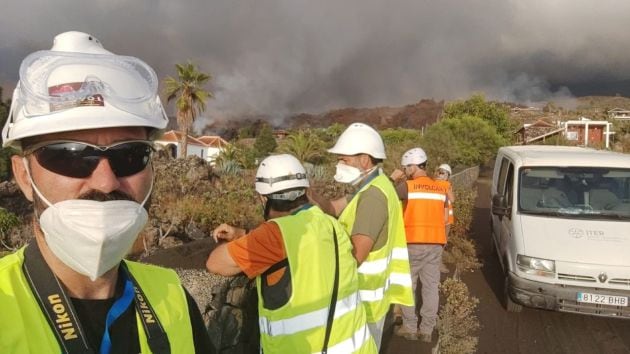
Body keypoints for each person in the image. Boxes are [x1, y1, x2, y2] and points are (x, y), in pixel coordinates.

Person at [0, 31, 213, 353]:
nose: (106, 182)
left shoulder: (171, 295)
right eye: (69, 156)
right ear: (23, 176)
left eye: (129, 155)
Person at [206, 154, 377, 353]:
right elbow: (298, 244)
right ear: (305, 191)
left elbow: (216, 263)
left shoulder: (275, 234)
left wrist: (245, 239)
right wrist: (245, 235)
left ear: (263, 197)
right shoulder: (329, 223)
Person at [308, 123, 414, 351]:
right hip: (366, 298)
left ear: (364, 159)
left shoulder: (373, 196)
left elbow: (356, 254)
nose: (339, 164)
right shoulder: (370, 186)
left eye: (344, 159)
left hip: (363, 300)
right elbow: (334, 208)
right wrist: (309, 195)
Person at [390, 148, 449, 343]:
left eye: (406, 167)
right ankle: (426, 330)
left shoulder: (408, 187)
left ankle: (409, 326)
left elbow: (386, 198)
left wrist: (393, 179)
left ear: (414, 166)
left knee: (409, 286)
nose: (405, 170)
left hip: (413, 243)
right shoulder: (441, 188)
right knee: (431, 287)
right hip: (435, 244)